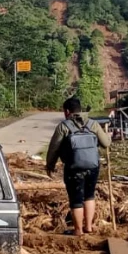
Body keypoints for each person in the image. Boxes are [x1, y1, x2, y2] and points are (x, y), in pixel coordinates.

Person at [45, 98, 111, 236]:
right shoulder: (93, 124)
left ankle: (78, 231)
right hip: (93, 167)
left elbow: (54, 148)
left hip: (73, 168)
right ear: (80, 109)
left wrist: (50, 165)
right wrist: (108, 136)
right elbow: (106, 143)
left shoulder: (64, 126)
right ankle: (89, 227)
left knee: (76, 200)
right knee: (89, 196)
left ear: (67, 111)